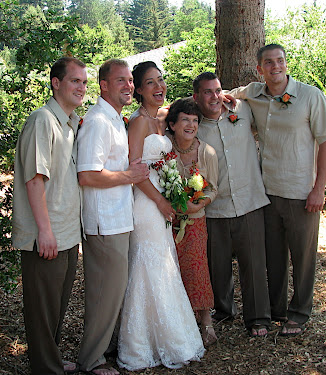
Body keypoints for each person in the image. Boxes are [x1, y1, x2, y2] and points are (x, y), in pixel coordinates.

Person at [227, 43, 326, 336]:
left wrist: (320, 188)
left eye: (280, 61)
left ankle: (299, 313)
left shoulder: (310, 96)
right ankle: (276, 311)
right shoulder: (254, 93)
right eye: (268, 62)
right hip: (268, 193)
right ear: (260, 68)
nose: (275, 66)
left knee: (303, 258)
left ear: (286, 64)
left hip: (302, 193)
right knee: (273, 258)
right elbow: (222, 96)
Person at [117, 62, 205, 371]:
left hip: (161, 203)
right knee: (149, 266)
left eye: (161, 80)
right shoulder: (139, 123)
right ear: (138, 90)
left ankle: (165, 335)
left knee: (164, 265)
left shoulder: (161, 119)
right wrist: (160, 202)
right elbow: (134, 170)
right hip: (146, 204)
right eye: (150, 82)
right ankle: (142, 343)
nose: (159, 86)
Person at [12, 56, 87, 375]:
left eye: (84, 82)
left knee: (56, 306)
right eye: (74, 81)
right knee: (42, 309)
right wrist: (44, 231)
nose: (81, 87)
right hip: (48, 233)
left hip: (68, 233)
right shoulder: (42, 120)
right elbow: (34, 180)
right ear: (56, 83)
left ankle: (51, 358)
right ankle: (46, 368)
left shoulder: (70, 123)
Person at [76, 59, 150, 375]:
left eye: (130, 81)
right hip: (104, 221)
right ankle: (91, 360)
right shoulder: (98, 122)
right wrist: (129, 176)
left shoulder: (115, 119)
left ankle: (105, 349)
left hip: (119, 218)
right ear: (103, 85)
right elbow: (87, 175)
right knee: (104, 292)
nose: (128, 86)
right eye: (120, 80)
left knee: (113, 290)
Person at [192, 72, 272, 337]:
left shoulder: (243, 110)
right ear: (196, 97)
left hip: (249, 201)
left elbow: (257, 90)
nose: (214, 97)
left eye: (217, 90)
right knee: (218, 265)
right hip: (214, 207)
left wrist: (234, 93)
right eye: (207, 92)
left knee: (254, 264)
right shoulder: (194, 126)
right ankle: (224, 310)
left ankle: (258, 317)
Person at [166, 97, 219, 346]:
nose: (191, 124)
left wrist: (200, 203)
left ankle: (206, 322)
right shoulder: (164, 150)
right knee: (171, 270)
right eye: (185, 119)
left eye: (195, 120)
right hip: (167, 220)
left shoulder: (206, 152)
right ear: (173, 124)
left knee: (198, 268)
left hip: (196, 220)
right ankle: (177, 322)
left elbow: (214, 188)